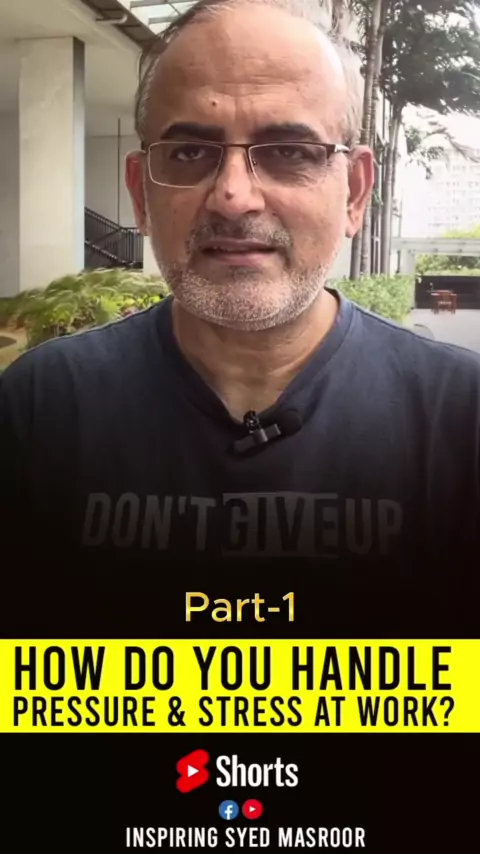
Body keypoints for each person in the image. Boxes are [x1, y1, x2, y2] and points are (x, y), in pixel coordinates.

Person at [1, 0, 479, 638]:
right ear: (141, 193)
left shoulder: (460, 419)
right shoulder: (41, 410)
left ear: (355, 192)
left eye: (287, 151)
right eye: (188, 153)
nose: (233, 196)